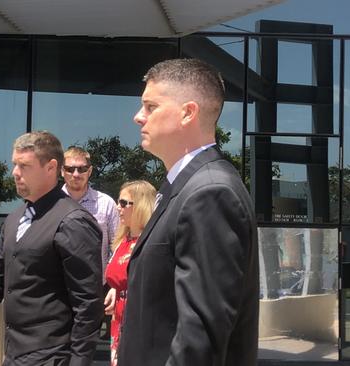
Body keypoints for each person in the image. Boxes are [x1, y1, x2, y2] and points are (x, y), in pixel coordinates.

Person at [118, 59, 259, 366]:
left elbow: (200, 342)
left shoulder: (210, 193)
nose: (138, 117)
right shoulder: (185, 187)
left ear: (187, 113)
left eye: (150, 106)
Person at [0, 131, 104, 366]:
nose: (15, 173)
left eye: (24, 166)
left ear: (51, 167)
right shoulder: (15, 219)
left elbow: (88, 305)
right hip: (15, 354)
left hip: (54, 356)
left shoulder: (73, 221)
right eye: (15, 164)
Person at [103, 180, 156, 366]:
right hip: (118, 320)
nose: (118, 207)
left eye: (125, 203)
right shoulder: (121, 240)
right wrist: (114, 289)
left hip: (139, 320)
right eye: (119, 202)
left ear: (142, 205)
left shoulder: (151, 242)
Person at [61, 146, 119, 282]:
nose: (76, 174)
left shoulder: (106, 204)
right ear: (62, 171)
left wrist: (112, 279)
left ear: (90, 171)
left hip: (98, 286)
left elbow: (117, 246)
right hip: (60, 288)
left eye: (82, 169)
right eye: (70, 169)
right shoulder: (51, 203)